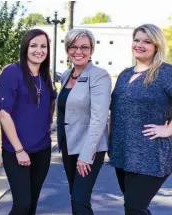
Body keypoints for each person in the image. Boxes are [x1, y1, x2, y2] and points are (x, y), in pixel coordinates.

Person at [109, 24, 172, 215]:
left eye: (147, 41)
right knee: (135, 208)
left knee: (134, 207)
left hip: (151, 154)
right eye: (137, 40)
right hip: (122, 153)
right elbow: (115, 110)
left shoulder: (165, 72)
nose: (140, 44)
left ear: (157, 46)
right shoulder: (125, 74)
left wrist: (168, 130)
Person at [0, 29, 56, 215]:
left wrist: (47, 126)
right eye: (34, 45)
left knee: (32, 204)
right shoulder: (12, 72)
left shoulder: (45, 75)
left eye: (43, 46)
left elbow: (51, 102)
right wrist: (19, 150)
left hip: (42, 149)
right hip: (17, 151)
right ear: (25, 48)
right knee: (22, 204)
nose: (39, 50)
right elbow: (3, 114)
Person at [57, 29, 112, 215]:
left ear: (91, 50)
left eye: (84, 47)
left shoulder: (99, 76)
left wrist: (86, 155)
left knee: (80, 199)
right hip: (68, 144)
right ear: (67, 49)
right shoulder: (66, 75)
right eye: (73, 46)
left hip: (89, 147)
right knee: (74, 195)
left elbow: (99, 118)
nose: (78, 51)